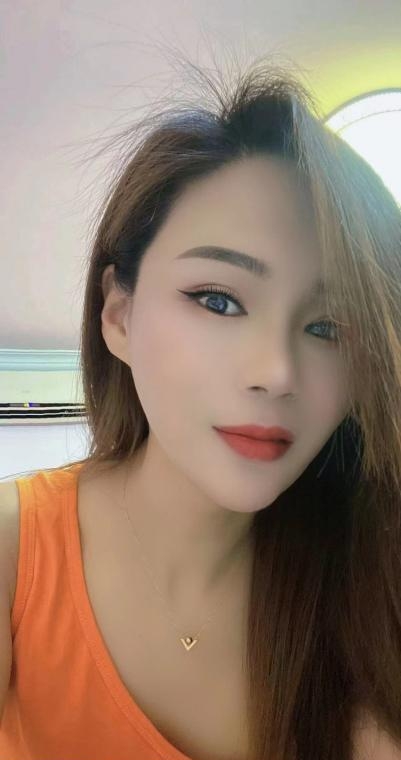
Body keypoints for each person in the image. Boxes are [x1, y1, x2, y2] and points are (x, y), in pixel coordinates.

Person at [1, 53, 401, 760]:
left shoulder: (369, 574)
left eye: (328, 327)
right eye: (217, 300)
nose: (276, 373)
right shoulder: (16, 550)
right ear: (118, 315)